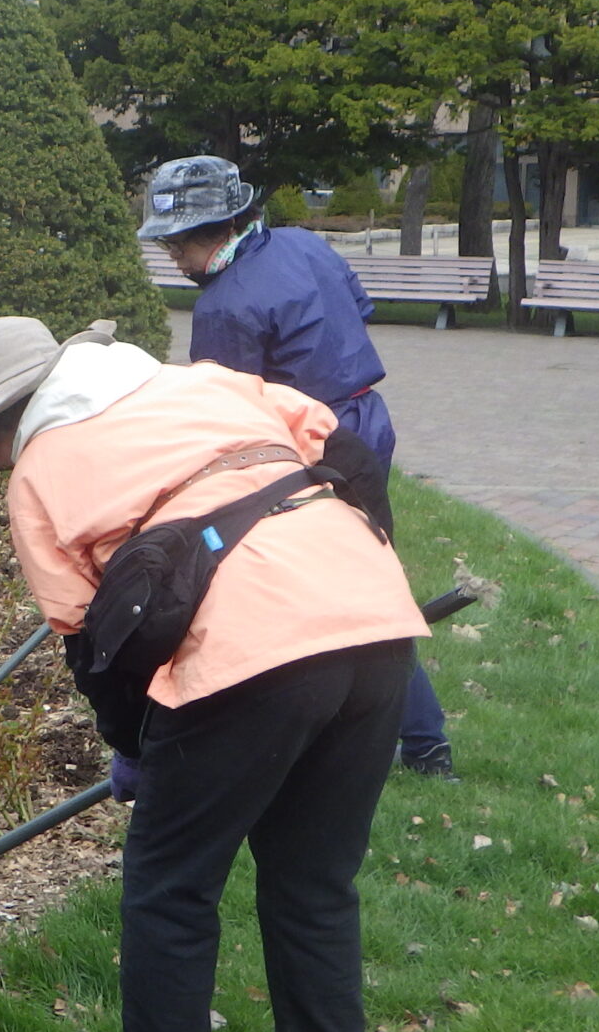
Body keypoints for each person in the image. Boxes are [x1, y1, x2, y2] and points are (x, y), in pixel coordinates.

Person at [0, 314, 427, 1032]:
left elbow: (91, 641)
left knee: (171, 886)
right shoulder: (201, 382)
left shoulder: (41, 469)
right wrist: (362, 549)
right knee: (314, 876)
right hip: (375, 622)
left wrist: (136, 747)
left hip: (251, 650)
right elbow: (344, 447)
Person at [140, 155, 457, 776]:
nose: (173, 258)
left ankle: (419, 743)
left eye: (178, 244)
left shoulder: (224, 307)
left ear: (219, 229)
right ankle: (414, 739)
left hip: (316, 447)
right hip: (368, 421)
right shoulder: (303, 243)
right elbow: (356, 310)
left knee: (351, 591)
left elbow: (229, 412)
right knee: (365, 574)